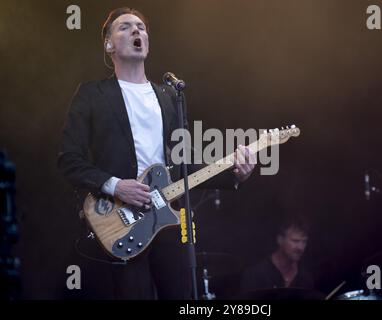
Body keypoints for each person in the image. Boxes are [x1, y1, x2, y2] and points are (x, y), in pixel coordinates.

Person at [57, 7, 255, 300]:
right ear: (109, 45)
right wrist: (116, 185)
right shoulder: (91, 94)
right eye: (125, 27)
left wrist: (233, 174)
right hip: (119, 220)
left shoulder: (168, 97)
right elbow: (69, 159)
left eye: (141, 27)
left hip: (166, 220)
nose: (137, 31)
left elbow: (182, 167)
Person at [240, 215, 315, 296]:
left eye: (304, 242)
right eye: (295, 241)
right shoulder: (256, 275)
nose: (300, 247)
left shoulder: (305, 279)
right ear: (280, 240)